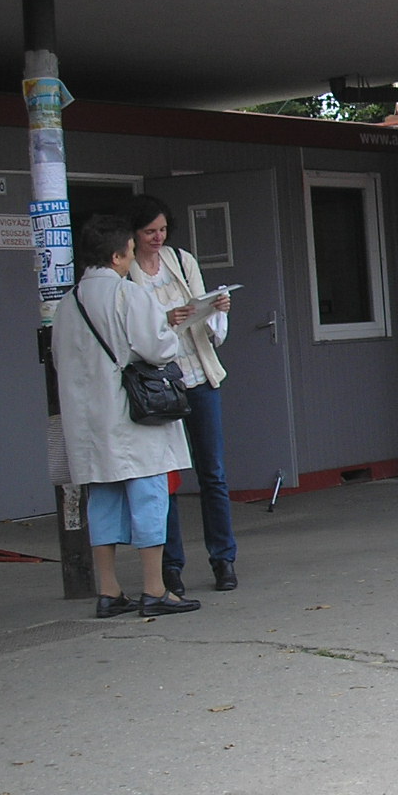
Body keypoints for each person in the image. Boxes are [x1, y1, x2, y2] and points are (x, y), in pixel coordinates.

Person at [53, 214, 201, 617]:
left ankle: (109, 590)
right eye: (131, 252)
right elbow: (159, 348)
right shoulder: (128, 295)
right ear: (119, 255)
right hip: (133, 418)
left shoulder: (67, 303)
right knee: (149, 497)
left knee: (102, 500)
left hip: (88, 423)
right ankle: (154, 589)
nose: (132, 258)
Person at [125, 195, 239, 595]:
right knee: (166, 478)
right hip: (160, 384)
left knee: (213, 472)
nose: (157, 238)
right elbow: (132, 334)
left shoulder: (182, 260)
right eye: (148, 232)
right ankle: (170, 566)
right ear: (133, 234)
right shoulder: (128, 272)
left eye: (162, 230)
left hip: (199, 374)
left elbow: (206, 318)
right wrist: (165, 321)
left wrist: (214, 307)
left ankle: (223, 559)